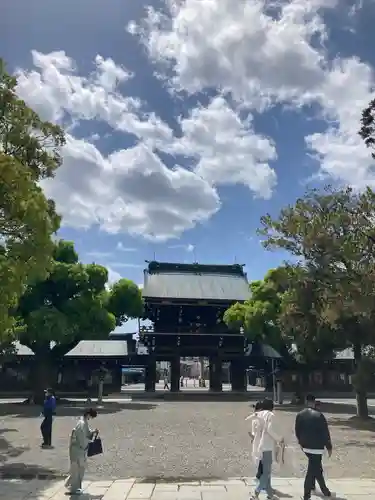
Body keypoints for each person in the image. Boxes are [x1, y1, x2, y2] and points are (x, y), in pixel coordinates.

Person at [295, 394, 334, 500]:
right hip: (317, 447)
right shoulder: (319, 415)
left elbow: (297, 431)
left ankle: (318, 488)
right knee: (313, 469)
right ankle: (308, 494)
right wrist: (329, 447)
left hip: (305, 446)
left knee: (315, 466)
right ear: (314, 402)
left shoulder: (300, 415)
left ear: (306, 401)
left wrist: (301, 443)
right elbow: (325, 433)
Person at [246, 398, 282, 500]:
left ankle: (270, 494)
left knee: (266, 471)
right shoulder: (270, 415)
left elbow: (253, 432)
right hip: (267, 446)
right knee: (266, 472)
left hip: (258, 446)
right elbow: (270, 429)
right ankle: (256, 493)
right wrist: (279, 438)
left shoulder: (257, 415)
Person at [65, 408, 98, 495]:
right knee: (76, 469)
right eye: (91, 417)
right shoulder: (81, 424)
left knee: (80, 468)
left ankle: (71, 485)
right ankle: (73, 488)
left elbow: (87, 433)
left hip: (79, 449)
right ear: (88, 415)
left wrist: (93, 432)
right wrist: (90, 442)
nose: (90, 418)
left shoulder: (83, 422)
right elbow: (82, 438)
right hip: (77, 449)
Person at [248, 401, 264, 482]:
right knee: (262, 459)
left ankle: (259, 475)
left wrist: (252, 436)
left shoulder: (254, 419)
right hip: (264, 441)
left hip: (258, 441)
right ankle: (260, 475)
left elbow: (253, 433)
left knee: (258, 458)